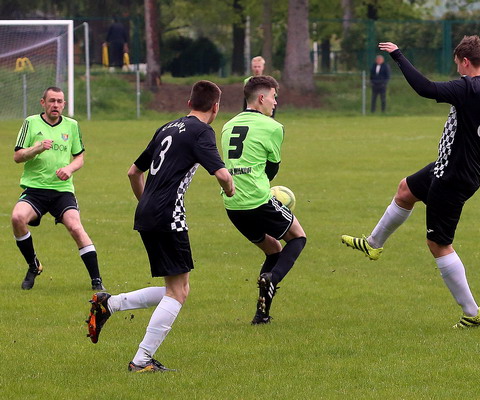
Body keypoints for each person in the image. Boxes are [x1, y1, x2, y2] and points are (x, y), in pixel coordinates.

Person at [342, 36, 480, 328]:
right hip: (455, 169)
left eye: (458, 64)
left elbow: (425, 88)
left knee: (438, 243)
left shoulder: (468, 87)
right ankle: (373, 243)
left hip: (452, 176)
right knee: (405, 190)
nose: (458, 70)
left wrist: (398, 55)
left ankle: (472, 312)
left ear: (466, 61)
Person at [85, 81, 235, 372]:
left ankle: (109, 304)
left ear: (189, 102)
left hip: (147, 213)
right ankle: (141, 360)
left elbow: (133, 172)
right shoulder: (202, 131)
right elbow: (222, 175)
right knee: (178, 292)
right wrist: (230, 190)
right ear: (216, 107)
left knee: (176, 288)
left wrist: (148, 204)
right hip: (168, 215)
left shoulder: (166, 127)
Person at [222, 75, 306, 325]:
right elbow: (272, 170)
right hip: (258, 200)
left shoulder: (228, 125)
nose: (275, 102)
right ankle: (272, 278)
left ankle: (261, 315)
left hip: (233, 204)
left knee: (273, 250)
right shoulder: (273, 127)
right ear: (261, 98)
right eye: (273, 97)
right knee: (298, 237)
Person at [12, 87, 104, 291]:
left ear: (64, 104)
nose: (55, 105)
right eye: (52, 101)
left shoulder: (72, 125)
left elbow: (79, 157)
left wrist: (69, 169)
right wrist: (36, 148)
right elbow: (17, 156)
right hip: (35, 189)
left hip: (62, 191)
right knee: (17, 218)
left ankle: (97, 281)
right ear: (43, 102)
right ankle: (33, 265)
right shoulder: (31, 122)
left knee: (76, 227)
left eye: (59, 101)